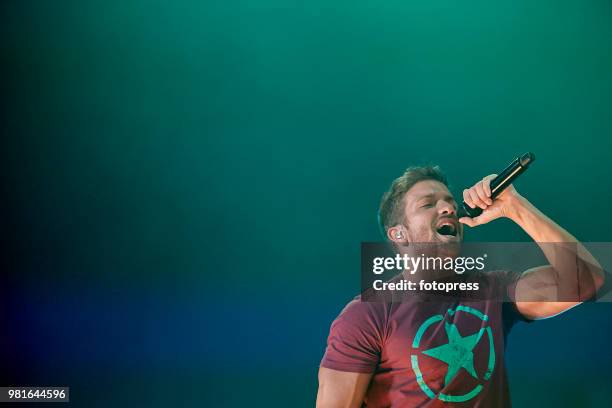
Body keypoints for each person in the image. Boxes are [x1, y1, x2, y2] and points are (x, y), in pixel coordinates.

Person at [316, 165, 604, 407]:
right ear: (399, 234)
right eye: (428, 204)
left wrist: (515, 207)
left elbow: (588, 282)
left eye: (450, 202)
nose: (448, 208)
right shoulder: (367, 314)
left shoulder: (493, 289)